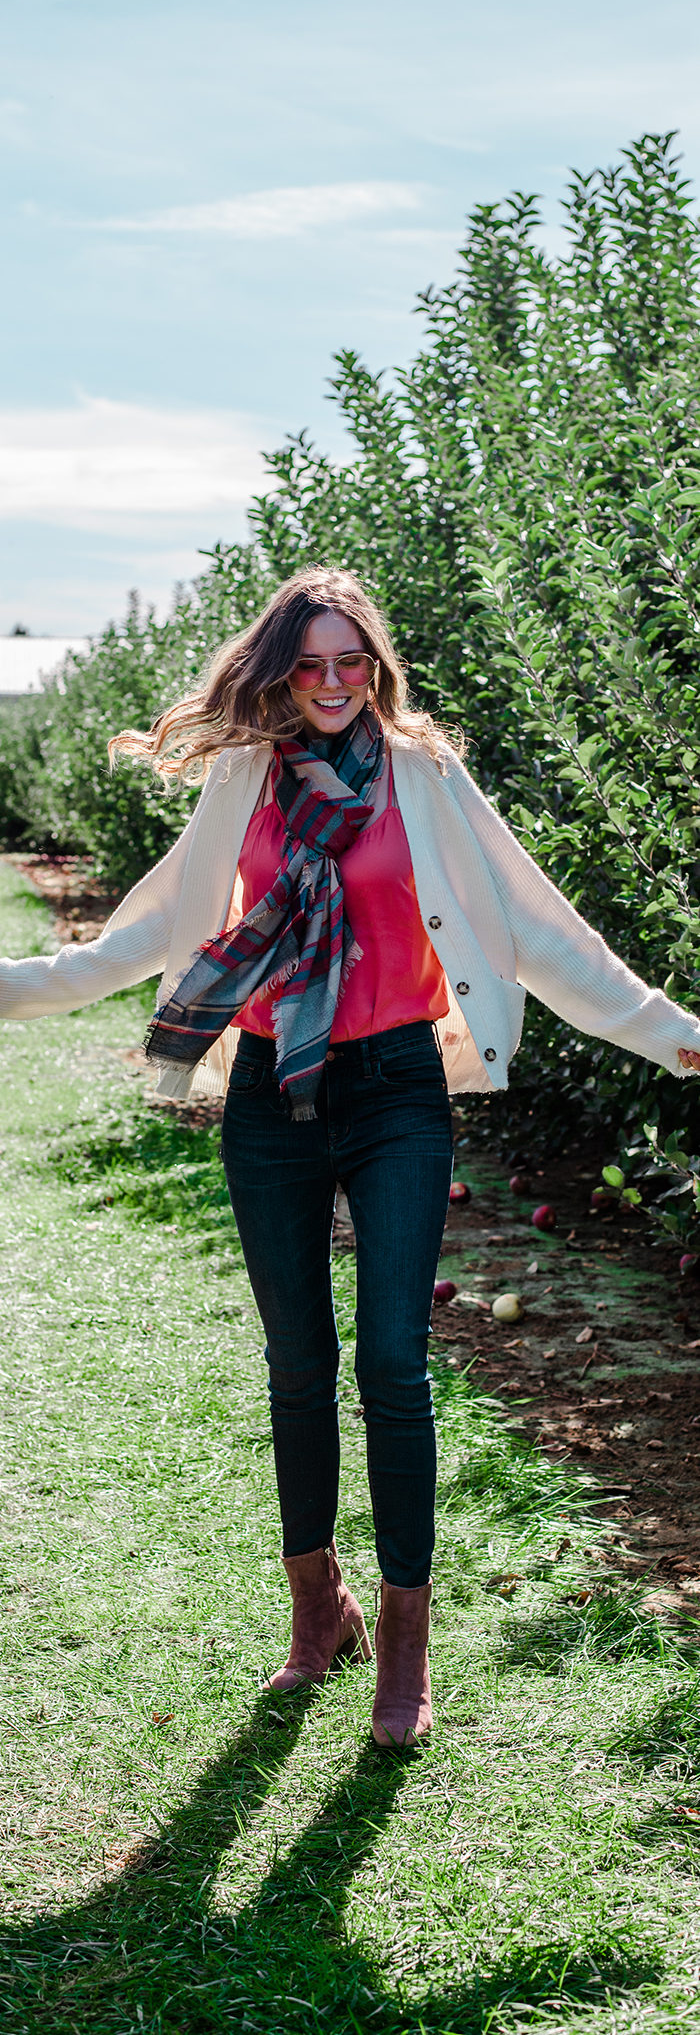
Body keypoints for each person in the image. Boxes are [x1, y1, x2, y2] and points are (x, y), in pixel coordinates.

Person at [2, 564, 700, 1751]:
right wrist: (16, 990)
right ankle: (315, 1612)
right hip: (273, 1092)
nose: (331, 684)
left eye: (350, 663)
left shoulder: (425, 778)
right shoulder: (242, 780)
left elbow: (539, 933)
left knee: (391, 1358)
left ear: (376, 667)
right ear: (279, 673)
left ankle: (407, 1646)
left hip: (394, 1088)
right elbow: (153, 933)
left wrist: (670, 1034)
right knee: (296, 1364)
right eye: (309, 665)